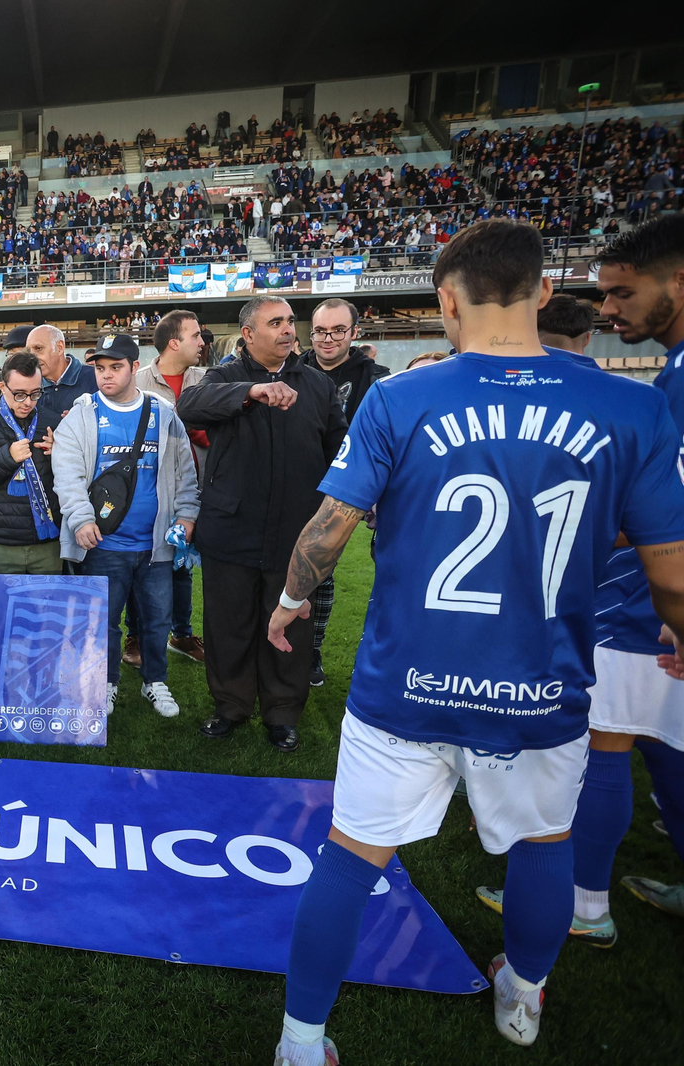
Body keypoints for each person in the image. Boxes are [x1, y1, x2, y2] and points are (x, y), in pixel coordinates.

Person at [262, 219, 684, 1065]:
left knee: (350, 857)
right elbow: (670, 571)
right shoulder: (632, 405)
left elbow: (330, 527)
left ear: (446, 301)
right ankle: (522, 996)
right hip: (540, 686)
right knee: (542, 846)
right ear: (539, 293)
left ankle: (301, 1041)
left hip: (404, 685)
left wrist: (290, 599)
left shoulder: (399, 397)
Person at [477, 216, 684, 937]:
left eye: (624, 292)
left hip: (634, 603)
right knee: (658, 745)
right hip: (649, 602)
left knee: (608, 744)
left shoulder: (666, 389)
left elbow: (655, 518)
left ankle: (583, 904)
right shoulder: (664, 380)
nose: (611, 309)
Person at [176, 297, 347, 752]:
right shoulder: (223, 377)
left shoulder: (317, 385)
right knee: (228, 624)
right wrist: (250, 393)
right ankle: (230, 706)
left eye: (291, 321)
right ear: (248, 334)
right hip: (231, 530)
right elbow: (189, 406)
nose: (289, 329)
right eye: (276, 322)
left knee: (289, 625)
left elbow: (339, 451)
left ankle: (282, 712)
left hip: (296, 533)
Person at [53, 335, 198, 718]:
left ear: (136, 367)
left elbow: (184, 473)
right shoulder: (81, 414)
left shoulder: (164, 413)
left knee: (157, 621)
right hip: (103, 545)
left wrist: (186, 515)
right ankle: (107, 683)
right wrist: (81, 518)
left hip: (156, 546)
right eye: (99, 368)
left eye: (115, 367)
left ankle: (155, 682)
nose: (106, 376)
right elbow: (66, 475)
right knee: (104, 623)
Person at [300, 298, 391, 688]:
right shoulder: (292, 369)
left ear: (355, 332)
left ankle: (311, 650)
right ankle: (284, 646)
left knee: (321, 571)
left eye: (338, 330)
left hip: (346, 494)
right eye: (321, 330)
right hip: (293, 486)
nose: (328, 338)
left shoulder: (378, 379)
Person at [135, 310, 210, 666]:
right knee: (141, 565)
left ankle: (181, 634)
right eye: (196, 335)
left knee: (183, 567)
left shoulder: (210, 380)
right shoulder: (136, 382)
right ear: (174, 343)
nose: (202, 341)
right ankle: (135, 636)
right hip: (150, 495)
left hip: (200, 494)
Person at [0, 351, 63, 575]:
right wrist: (7, 457)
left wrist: (61, 455)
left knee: (47, 606)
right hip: (2, 542)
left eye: (35, 393)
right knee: (6, 608)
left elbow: (73, 477)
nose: (28, 402)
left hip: (48, 540)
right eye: (19, 394)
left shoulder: (52, 422)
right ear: (1, 387)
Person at [27, 324, 98, 418]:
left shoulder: (95, 378)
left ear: (59, 347)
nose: (32, 357)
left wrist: (82, 425)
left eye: (38, 348)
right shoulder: (28, 384)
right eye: (29, 351)